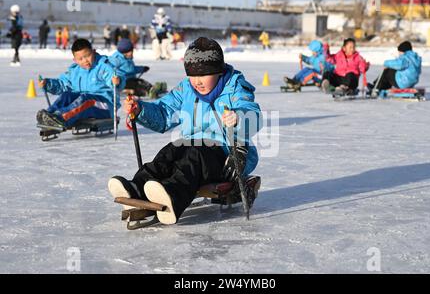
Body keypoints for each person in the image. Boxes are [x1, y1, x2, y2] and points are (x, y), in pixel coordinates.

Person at [108, 37, 262, 225]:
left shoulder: (235, 87)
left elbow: (253, 113)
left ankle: (173, 195)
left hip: (225, 151)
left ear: (219, 71)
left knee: (194, 156)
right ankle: (136, 188)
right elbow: (164, 112)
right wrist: (141, 110)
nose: (196, 81)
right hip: (192, 144)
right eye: (192, 74)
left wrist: (238, 117)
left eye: (204, 74)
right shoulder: (186, 89)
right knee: (170, 151)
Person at [36, 39, 124, 129]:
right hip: (84, 104)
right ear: (75, 60)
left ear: (93, 51)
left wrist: (117, 81)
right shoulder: (75, 71)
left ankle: (61, 118)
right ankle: (49, 115)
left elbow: (115, 76)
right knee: (67, 95)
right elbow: (62, 84)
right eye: (80, 59)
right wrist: (48, 84)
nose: (85, 60)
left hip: (105, 105)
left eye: (88, 56)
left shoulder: (103, 66)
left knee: (86, 99)